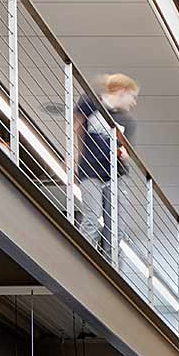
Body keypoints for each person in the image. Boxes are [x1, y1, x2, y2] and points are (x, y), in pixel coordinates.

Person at [75, 72, 138, 256]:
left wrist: (125, 154)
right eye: (132, 97)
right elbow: (77, 127)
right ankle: (82, 260)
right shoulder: (91, 102)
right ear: (122, 91)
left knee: (115, 228)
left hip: (116, 175)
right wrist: (72, 158)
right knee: (92, 217)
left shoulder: (127, 121)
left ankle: (111, 267)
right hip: (91, 170)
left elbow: (128, 152)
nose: (133, 102)